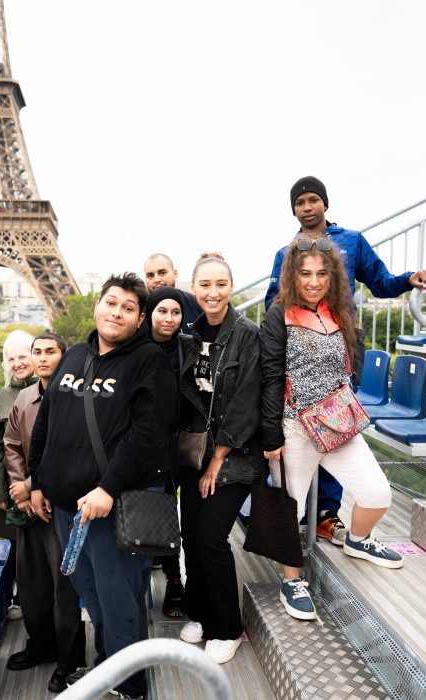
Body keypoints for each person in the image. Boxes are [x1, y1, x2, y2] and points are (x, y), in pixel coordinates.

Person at [263, 176, 426, 547]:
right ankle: (290, 522)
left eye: (313, 200)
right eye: (300, 203)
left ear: (325, 203)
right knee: (300, 440)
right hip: (299, 358)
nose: (307, 207)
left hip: (338, 353)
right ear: (294, 210)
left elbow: (381, 282)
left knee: (335, 430)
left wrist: (410, 279)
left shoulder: (352, 241)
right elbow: (271, 303)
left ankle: (326, 514)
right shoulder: (285, 252)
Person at [29, 272, 177, 700]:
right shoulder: (74, 355)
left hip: (111, 508)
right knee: (88, 593)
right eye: (111, 303)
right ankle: (107, 668)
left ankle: (128, 687)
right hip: (64, 507)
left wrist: (108, 488)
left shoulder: (149, 361)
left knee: (119, 603)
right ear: (97, 306)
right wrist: (39, 480)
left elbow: (149, 436)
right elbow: (48, 421)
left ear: (140, 318)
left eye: (128, 308)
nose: (117, 312)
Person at [260, 237, 403, 621]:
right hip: (295, 429)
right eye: (305, 273)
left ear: (333, 275)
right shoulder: (279, 315)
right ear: (292, 275)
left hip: (339, 427)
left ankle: (357, 540)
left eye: (322, 273)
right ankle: (291, 580)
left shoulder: (339, 310)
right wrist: (271, 434)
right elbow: (270, 375)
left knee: (377, 495)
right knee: (289, 512)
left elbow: (350, 359)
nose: (314, 281)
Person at [176, 253, 264, 664]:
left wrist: (218, 460)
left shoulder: (247, 335)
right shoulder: (189, 338)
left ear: (232, 287)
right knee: (191, 535)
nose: (213, 292)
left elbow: (247, 403)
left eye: (220, 284)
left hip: (237, 455)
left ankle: (228, 627)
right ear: (194, 288)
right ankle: (200, 613)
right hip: (197, 454)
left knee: (211, 536)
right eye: (205, 285)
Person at [2, 332, 86, 693]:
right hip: (30, 505)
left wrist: (37, 485)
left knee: (64, 586)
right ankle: (41, 644)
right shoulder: (24, 397)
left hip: (62, 504)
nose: (42, 358)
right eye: (36, 352)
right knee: (32, 580)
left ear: (63, 356)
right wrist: (22, 489)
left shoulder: (79, 394)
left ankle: (70, 658)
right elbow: (11, 445)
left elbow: (73, 448)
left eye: (50, 351)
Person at [142, 286, 188, 619]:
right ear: (150, 313)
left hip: (182, 443)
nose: (169, 318)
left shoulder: (189, 347)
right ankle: (164, 579)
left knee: (173, 514)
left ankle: (175, 580)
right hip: (146, 447)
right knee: (160, 514)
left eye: (175, 312)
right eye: (162, 311)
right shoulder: (136, 349)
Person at [0, 332, 37, 621]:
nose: (17, 363)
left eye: (23, 356)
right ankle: (20, 597)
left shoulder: (48, 388)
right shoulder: (4, 395)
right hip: (12, 488)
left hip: (41, 485)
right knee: (17, 547)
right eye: (11, 358)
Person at [143, 253, 204, 326]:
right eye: (150, 275)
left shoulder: (195, 303)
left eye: (162, 273)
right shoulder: (139, 310)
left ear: (175, 274)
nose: (156, 279)